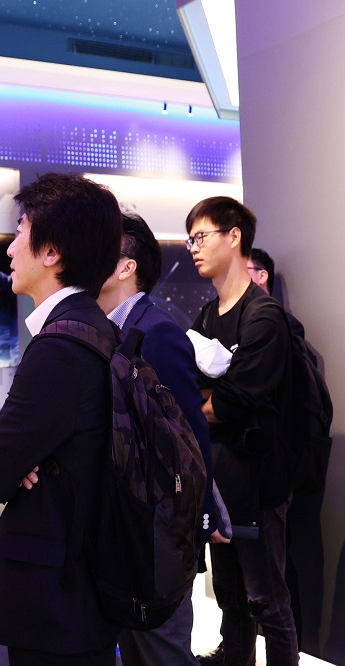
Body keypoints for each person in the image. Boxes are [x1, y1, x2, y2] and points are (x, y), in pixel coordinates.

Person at [0, 172, 122, 665]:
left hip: (56, 601)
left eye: (20, 232)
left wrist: (16, 460)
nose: (10, 249)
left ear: (52, 251)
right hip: (84, 588)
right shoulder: (97, 329)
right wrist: (22, 458)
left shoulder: (59, 349)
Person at [97, 212, 225, 666]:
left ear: (126, 266)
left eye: (100, 248)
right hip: (120, 530)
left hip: (155, 535)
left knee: (163, 651)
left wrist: (200, 518)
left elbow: (188, 436)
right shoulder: (101, 330)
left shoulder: (158, 332)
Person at [186, 198, 299, 666]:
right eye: (190, 239)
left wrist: (207, 401)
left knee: (267, 601)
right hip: (220, 481)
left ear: (234, 236)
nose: (194, 247)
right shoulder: (207, 315)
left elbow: (230, 402)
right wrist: (209, 400)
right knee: (231, 597)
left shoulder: (263, 316)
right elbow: (192, 391)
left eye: (201, 236)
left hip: (259, 484)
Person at [248, 247, 325, 655]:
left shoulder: (278, 328)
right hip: (267, 474)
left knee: (275, 584)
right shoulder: (270, 327)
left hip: (277, 475)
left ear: (261, 276)